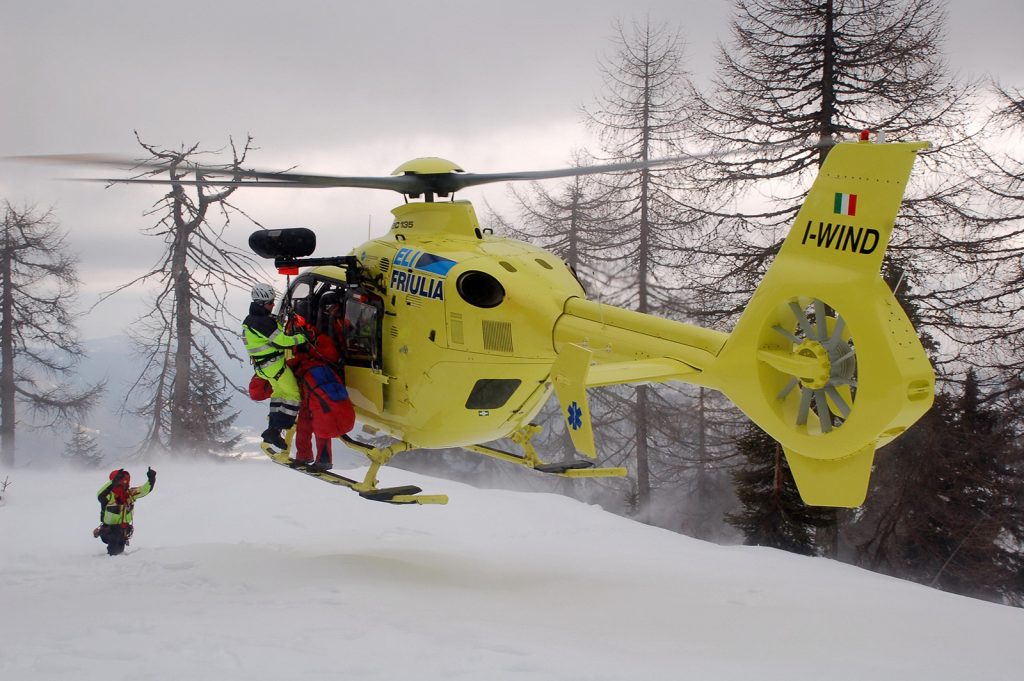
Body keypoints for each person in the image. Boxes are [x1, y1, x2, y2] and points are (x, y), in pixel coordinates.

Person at [242, 283, 307, 454]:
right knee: (293, 395)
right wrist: (302, 338)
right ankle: (277, 429)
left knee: (279, 395)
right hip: (273, 366)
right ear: (262, 303)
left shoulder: (250, 320)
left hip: (263, 368)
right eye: (270, 303)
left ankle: (272, 431)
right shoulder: (262, 322)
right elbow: (282, 341)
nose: (272, 305)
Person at [94, 467, 156, 556]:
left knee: (119, 550)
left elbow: (144, 490)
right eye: (121, 481)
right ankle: (110, 560)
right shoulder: (109, 495)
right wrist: (112, 483)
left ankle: (116, 560)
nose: (124, 483)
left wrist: (151, 479)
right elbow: (100, 494)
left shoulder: (130, 494)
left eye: (126, 481)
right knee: (114, 551)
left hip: (123, 530)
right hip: (109, 530)